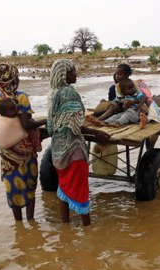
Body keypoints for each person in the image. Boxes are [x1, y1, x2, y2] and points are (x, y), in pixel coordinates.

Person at [46, 59, 111, 226]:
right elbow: (75, 125)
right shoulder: (69, 93)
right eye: (73, 71)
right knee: (80, 188)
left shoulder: (53, 92)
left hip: (58, 148)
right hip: (73, 148)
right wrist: (97, 133)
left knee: (64, 187)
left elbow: (51, 125)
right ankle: (87, 227)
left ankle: (65, 226)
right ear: (64, 74)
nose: (76, 74)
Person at [0, 63, 45, 222]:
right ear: (14, 80)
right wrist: (45, 121)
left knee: (13, 188)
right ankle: (31, 221)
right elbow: (27, 124)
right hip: (26, 152)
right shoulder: (21, 97)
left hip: (7, 156)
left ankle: (19, 225)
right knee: (29, 187)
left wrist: (3, 130)